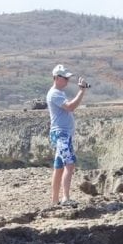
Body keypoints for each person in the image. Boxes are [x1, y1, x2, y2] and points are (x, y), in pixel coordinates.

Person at [45, 65, 88, 203]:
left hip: (61, 133)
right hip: (62, 133)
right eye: (65, 78)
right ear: (57, 78)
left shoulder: (58, 93)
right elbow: (70, 107)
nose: (68, 81)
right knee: (69, 165)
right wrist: (81, 92)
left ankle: (55, 200)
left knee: (59, 167)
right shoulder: (55, 93)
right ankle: (65, 198)